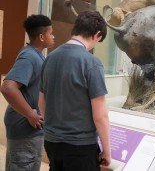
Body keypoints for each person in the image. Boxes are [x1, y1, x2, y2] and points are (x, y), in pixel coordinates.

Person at [38, 11, 111, 171]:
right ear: (97, 35)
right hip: (80, 147)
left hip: (52, 143)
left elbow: (41, 102)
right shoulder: (91, 63)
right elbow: (100, 116)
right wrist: (107, 150)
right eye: (98, 41)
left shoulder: (50, 58)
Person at [0, 14, 55, 171]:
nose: (53, 36)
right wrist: (30, 114)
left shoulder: (34, 54)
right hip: (25, 129)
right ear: (41, 36)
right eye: (50, 32)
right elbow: (7, 87)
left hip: (28, 128)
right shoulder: (29, 56)